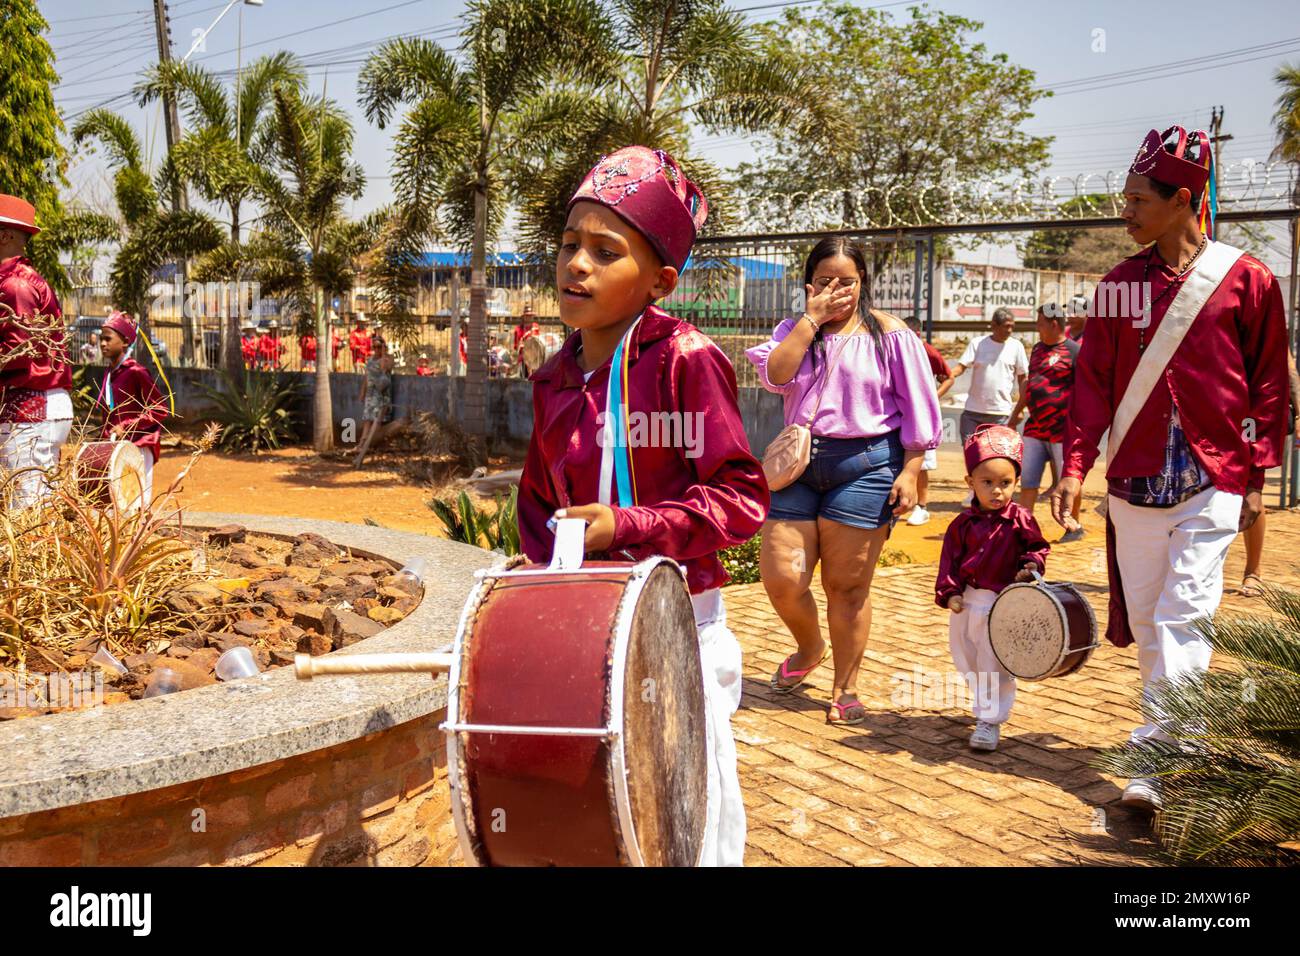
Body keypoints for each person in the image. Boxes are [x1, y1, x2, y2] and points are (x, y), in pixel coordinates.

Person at [517, 146, 768, 866]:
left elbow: (743, 499)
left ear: (659, 279)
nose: (577, 265)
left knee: (684, 815)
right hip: (587, 623)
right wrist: (544, 590)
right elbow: (540, 501)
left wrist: (626, 526)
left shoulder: (685, 359)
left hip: (679, 622)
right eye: (569, 245)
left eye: (605, 250)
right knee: (602, 811)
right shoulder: (555, 375)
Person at [1052, 125, 1289, 813]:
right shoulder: (1120, 285)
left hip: (1212, 474)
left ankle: (1159, 755)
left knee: (1187, 611)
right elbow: (1092, 383)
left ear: (1183, 200)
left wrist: (1256, 474)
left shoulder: (1248, 279)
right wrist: (1074, 466)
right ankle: (1174, 739)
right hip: (1133, 478)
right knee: (1155, 621)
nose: (1124, 213)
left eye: (1136, 200)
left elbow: (1268, 384)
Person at [745, 237, 941, 725]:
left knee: (846, 586)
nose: (838, 290)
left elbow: (920, 406)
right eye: (827, 281)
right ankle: (810, 648)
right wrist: (810, 322)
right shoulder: (793, 330)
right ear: (809, 284)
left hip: (868, 465)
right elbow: (774, 375)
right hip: (797, 464)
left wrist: (913, 469)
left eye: (848, 282)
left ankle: (846, 688)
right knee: (782, 576)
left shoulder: (890, 335)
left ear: (863, 284)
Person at [935, 424, 1049, 751]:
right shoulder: (961, 525)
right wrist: (951, 591)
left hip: (1002, 604)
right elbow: (950, 561)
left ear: (1016, 483)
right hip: (967, 603)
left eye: (1005, 483)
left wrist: (1030, 566)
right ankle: (984, 702)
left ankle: (989, 719)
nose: (997, 491)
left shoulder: (1021, 519)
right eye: (987, 483)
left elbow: (1037, 548)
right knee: (966, 658)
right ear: (970, 483)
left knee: (994, 662)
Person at [0, 194, 74, 510]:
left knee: (28, 509)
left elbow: (18, 349)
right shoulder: (16, 280)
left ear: (4, 235)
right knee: (31, 501)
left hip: (31, 408)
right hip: (33, 406)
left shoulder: (14, 285)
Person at [1007, 304, 1082, 535]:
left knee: (1068, 483)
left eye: (1040, 324)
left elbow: (1084, 390)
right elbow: (1030, 384)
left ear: (1053, 324)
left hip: (1062, 431)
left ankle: (1073, 526)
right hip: (1035, 429)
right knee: (1028, 481)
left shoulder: (1074, 351)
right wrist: (1017, 412)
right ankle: (1024, 529)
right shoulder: (1038, 349)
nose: (1037, 328)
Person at [1236, 350, 1300, 596]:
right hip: (1212, 411)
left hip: (1250, 416)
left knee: (1251, 491)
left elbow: (1288, 368)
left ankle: (1253, 571)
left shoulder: (1261, 317)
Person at [96, 311, 167, 507]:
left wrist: (126, 426)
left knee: (135, 502)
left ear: (125, 342)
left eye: (108, 339)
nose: (103, 343)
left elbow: (159, 409)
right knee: (117, 501)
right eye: (101, 339)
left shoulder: (136, 372)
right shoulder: (110, 373)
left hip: (139, 445)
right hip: (116, 446)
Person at [903, 315, 954, 526]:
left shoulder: (928, 351)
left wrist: (933, 397)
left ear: (916, 334)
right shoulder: (895, 348)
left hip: (922, 415)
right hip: (900, 413)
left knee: (921, 462)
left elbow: (949, 377)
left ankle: (921, 507)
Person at [949, 307, 1028, 443]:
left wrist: (1020, 408)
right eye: (1006, 326)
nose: (1010, 330)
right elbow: (961, 367)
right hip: (972, 413)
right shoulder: (977, 343)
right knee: (972, 455)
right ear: (993, 325)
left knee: (996, 457)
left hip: (1001, 414)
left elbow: (1023, 379)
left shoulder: (1017, 346)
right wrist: (947, 374)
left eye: (1012, 327)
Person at [355, 336, 394, 466]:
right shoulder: (370, 360)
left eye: (379, 346)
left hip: (381, 393)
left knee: (378, 420)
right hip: (371, 393)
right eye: (374, 347)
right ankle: (362, 442)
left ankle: (369, 443)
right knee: (367, 418)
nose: (376, 349)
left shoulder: (388, 358)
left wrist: (383, 352)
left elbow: (385, 368)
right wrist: (362, 392)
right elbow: (367, 377)